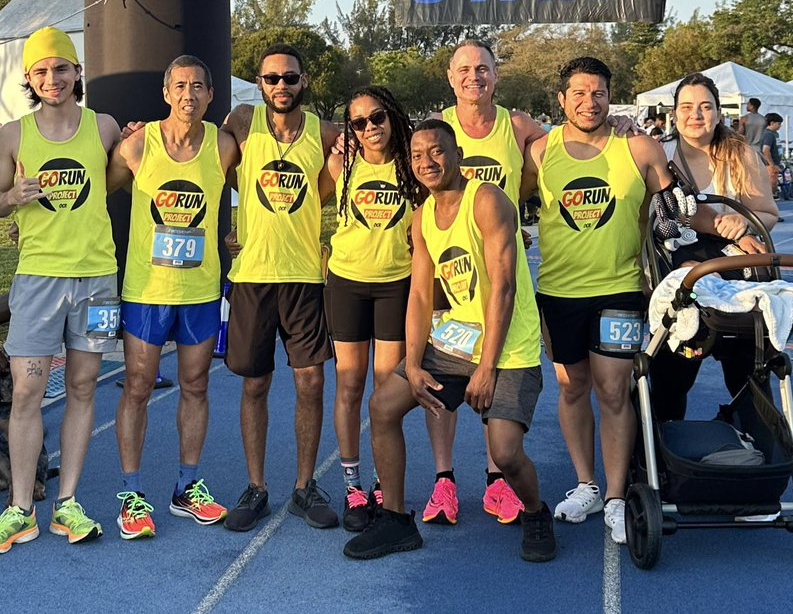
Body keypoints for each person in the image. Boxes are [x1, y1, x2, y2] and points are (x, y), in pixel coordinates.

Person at [343, 120, 555, 563]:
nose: (427, 162)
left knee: (506, 452)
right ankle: (397, 521)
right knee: (382, 407)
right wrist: (415, 362)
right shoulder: (422, 218)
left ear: (457, 153)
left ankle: (536, 512)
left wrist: (486, 368)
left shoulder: (487, 200)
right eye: (418, 156)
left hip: (508, 347)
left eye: (436, 152)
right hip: (456, 342)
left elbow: (504, 289)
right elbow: (420, 296)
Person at [0, 27, 121, 553]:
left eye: (62, 68)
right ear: (29, 79)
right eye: (41, 71)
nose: (52, 79)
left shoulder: (104, 127)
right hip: (37, 280)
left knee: (83, 388)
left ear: (77, 72)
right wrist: (11, 197)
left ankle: (69, 503)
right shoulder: (13, 134)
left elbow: (120, 178)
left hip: (97, 278)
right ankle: (20, 509)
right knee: (27, 393)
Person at [522, 56, 674, 546]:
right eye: (579, 94)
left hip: (620, 288)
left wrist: (734, 226)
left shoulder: (640, 147)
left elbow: (678, 211)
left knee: (611, 389)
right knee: (571, 388)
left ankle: (613, 496)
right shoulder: (540, 153)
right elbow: (505, 201)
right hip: (559, 293)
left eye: (600, 93)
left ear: (613, 97)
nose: (590, 103)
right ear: (561, 100)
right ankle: (586, 484)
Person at [106, 55, 240, 538]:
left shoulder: (223, 146)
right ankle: (131, 495)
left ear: (209, 95)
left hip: (201, 290)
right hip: (147, 290)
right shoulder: (138, 145)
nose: (189, 95)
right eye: (180, 86)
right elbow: (95, 195)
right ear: (166, 93)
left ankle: (187, 487)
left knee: (197, 385)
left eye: (198, 87)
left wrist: (238, 238)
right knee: (138, 387)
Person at [420, 40, 546, 527]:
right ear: (450, 78)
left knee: (495, 391)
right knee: (439, 382)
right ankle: (444, 480)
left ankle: (498, 483)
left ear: (497, 74)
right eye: (465, 69)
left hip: (494, 278)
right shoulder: (439, 127)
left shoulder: (518, 127)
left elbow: (562, 150)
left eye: (484, 68)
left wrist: (620, 125)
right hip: (450, 282)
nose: (475, 77)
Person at [221, 43, 340, 533]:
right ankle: (256, 487)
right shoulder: (242, 121)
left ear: (304, 81)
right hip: (251, 276)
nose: (281, 87)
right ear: (260, 83)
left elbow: (333, 187)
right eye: (272, 79)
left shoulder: (326, 132)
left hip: (304, 277)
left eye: (290, 78)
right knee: (255, 384)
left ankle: (304, 486)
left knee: (310, 381)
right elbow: (206, 166)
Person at [649, 74, 779, 419]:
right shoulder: (659, 155)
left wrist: (746, 223)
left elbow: (767, 214)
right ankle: (661, 451)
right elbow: (664, 218)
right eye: (687, 107)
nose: (696, 115)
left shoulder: (741, 156)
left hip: (734, 277)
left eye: (705, 107)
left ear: (719, 113)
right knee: (670, 379)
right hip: (680, 277)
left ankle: (759, 444)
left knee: (747, 377)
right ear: (674, 114)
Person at [324, 86, 415, 531]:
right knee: (349, 386)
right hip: (346, 284)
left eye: (377, 117)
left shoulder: (413, 166)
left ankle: (384, 484)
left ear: (392, 116)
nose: (369, 128)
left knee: (386, 392)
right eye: (358, 123)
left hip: (396, 286)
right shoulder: (340, 162)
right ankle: (353, 487)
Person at [761, 113, 784, 194]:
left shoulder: (774, 134)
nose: (780, 126)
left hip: (774, 163)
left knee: (773, 185)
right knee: (771, 185)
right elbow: (765, 150)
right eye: (779, 124)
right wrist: (772, 165)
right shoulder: (769, 134)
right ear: (772, 123)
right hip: (770, 165)